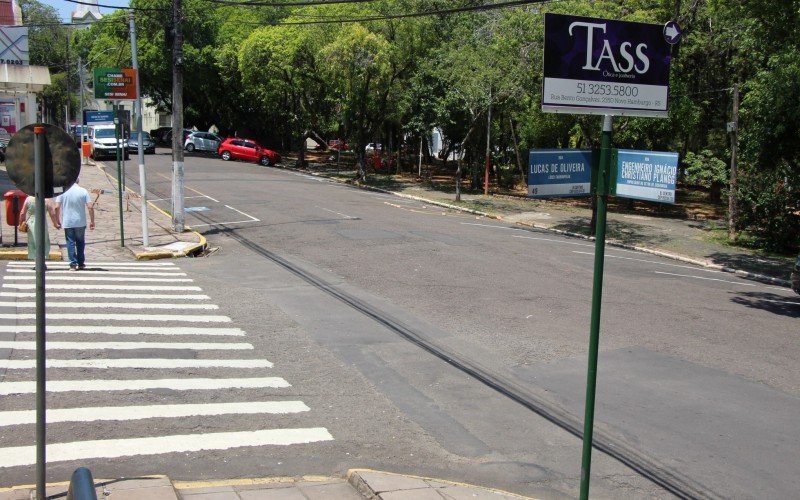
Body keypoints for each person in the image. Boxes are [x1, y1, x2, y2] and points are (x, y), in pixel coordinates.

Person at [55, 179, 95, 270]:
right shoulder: (83, 191)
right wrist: (92, 221)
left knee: (70, 242)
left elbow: (57, 207)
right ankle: (81, 263)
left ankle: (73, 264)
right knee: (80, 242)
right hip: (80, 221)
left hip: (68, 221)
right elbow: (90, 207)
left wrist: (57, 220)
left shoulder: (62, 191)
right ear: (78, 181)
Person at [19, 196, 60, 262]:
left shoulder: (28, 199)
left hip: (31, 223)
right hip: (42, 222)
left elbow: (22, 213)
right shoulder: (46, 200)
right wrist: (55, 224)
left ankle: (36, 261)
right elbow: (52, 213)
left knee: (32, 241)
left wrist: (20, 223)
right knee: (44, 241)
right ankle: (43, 260)